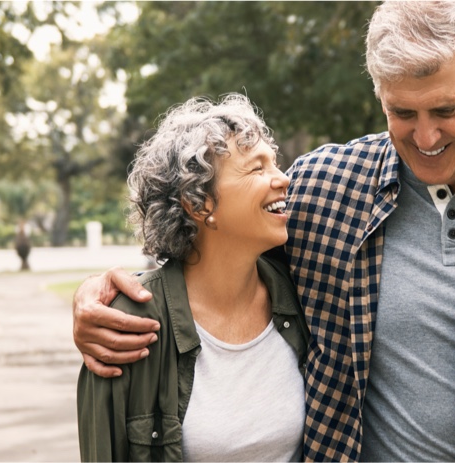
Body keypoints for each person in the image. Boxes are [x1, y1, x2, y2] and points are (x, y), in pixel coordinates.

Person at [73, 1, 455, 461]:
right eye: (402, 114)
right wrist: (102, 295)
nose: (426, 137)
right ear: (380, 96)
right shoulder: (323, 188)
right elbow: (211, 243)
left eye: (444, 110)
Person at [76, 94, 311, 461]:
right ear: (199, 203)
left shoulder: (303, 297)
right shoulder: (125, 328)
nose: (283, 179)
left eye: (275, 164)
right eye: (256, 168)